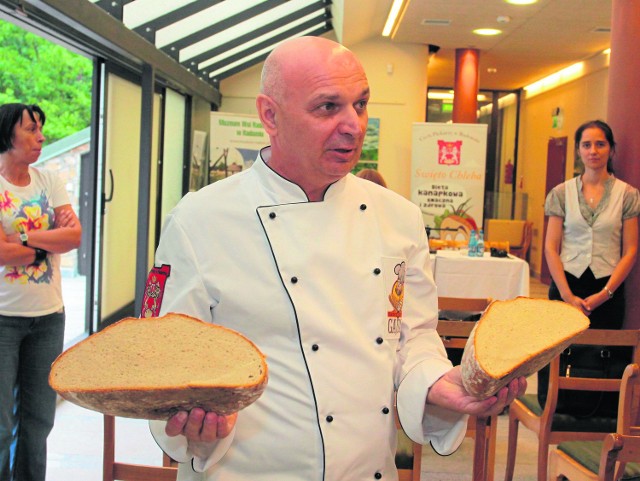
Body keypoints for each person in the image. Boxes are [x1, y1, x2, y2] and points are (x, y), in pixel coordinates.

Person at [146, 36, 525, 480]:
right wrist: (194, 427)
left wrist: (439, 383)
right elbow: (163, 362)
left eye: (360, 104)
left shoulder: (398, 218)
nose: (354, 125)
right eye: (328, 107)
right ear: (270, 115)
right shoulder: (199, 221)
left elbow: (413, 339)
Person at [0, 103, 82, 481]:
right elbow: (1, 253)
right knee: (1, 426)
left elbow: (74, 237)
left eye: (40, 129)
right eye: (31, 129)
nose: (41, 136)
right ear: (7, 135)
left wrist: (21, 237)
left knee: (38, 423)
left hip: (49, 317)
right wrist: (49, 241)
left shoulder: (48, 180)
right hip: (4, 320)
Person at [544, 119, 640, 329]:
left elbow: (631, 250)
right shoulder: (561, 193)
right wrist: (567, 295)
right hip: (567, 283)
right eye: (586, 145)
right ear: (578, 150)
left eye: (600, 144)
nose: (593, 151)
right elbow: (551, 248)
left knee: (604, 356)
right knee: (559, 354)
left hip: (608, 287)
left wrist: (605, 294)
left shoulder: (628, 195)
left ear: (611, 149)